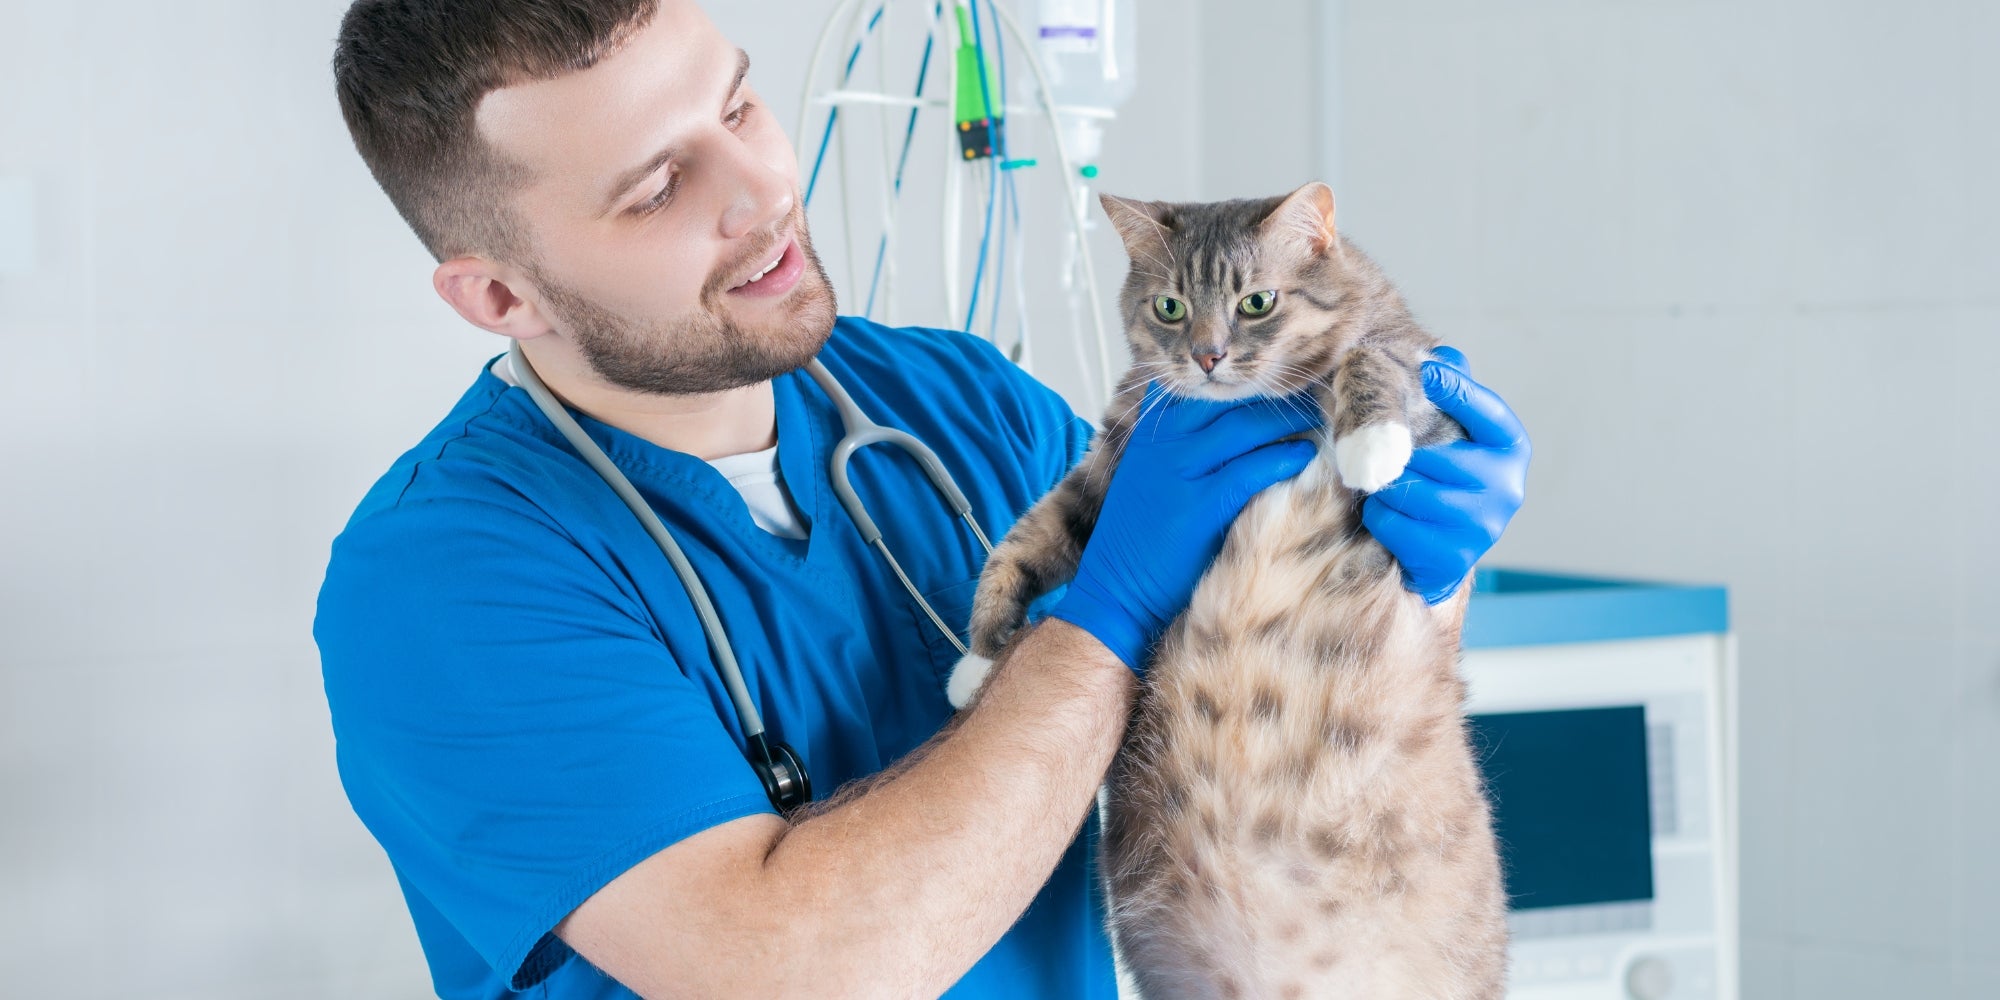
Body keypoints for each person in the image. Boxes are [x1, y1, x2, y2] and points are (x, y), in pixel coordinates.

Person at [312, 1, 1532, 997]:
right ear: (500, 298)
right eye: (656, 187)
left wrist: (1411, 566)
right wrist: (1096, 621)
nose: (759, 189)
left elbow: (1277, 726)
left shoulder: (958, 403)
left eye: (737, 103)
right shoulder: (441, 578)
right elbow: (791, 968)